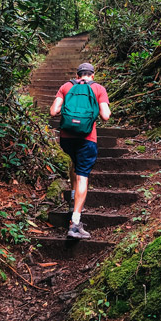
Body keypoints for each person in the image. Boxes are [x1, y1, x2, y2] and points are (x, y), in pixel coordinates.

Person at [49, 62, 111, 239]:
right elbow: (105, 116)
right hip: (87, 138)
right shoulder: (98, 88)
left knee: (73, 164)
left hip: (67, 138)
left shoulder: (66, 86)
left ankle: (72, 201)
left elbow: (54, 111)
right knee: (82, 174)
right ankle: (75, 223)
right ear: (92, 75)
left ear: (77, 75)